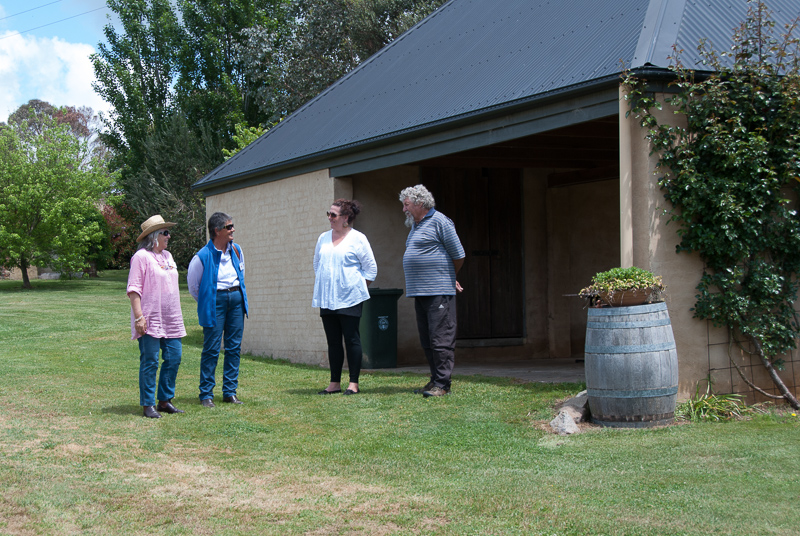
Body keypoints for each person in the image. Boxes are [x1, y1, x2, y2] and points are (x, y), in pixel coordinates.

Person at [400, 185, 465, 398]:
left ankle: (443, 384)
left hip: (438, 290)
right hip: (420, 292)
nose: (404, 209)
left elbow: (459, 255)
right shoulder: (415, 226)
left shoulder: (441, 222)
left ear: (420, 203)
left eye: (406, 204)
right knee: (428, 339)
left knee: (441, 339)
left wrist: (449, 277)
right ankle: (435, 379)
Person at [312, 199, 377, 395]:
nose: (330, 218)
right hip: (327, 298)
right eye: (328, 214)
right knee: (333, 341)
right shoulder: (323, 238)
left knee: (352, 339)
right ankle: (334, 383)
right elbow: (317, 264)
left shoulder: (358, 239)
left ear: (346, 218)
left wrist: (355, 289)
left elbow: (370, 269)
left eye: (334, 215)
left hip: (350, 298)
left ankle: (353, 383)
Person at [127, 215, 187, 418]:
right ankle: (148, 404)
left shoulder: (168, 256)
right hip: (150, 318)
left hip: (171, 318)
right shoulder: (141, 257)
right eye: (165, 233)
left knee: (174, 357)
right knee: (150, 360)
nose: (169, 236)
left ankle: (164, 400)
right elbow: (134, 289)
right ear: (154, 236)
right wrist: (139, 317)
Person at [188, 212, 249, 407]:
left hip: (236, 300)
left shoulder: (237, 250)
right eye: (229, 227)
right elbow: (194, 287)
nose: (233, 230)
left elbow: (241, 273)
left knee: (233, 348)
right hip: (216, 302)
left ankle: (230, 392)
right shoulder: (202, 256)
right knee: (211, 349)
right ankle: (206, 394)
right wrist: (210, 300)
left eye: (232, 226)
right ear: (217, 231)